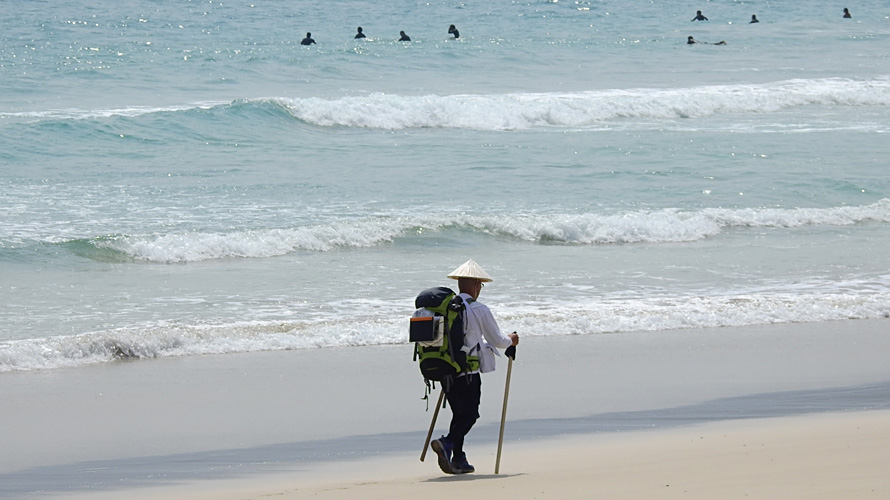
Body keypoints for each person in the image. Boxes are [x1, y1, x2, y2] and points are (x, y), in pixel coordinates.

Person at [429, 259, 519, 475]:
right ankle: (447, 443)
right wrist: (512, 340)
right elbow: (497, 340)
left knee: (459, 414)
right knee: (470, 415)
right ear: (477, 285)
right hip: (468, 372)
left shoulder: (446, 309)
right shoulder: (478, 309)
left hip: (446, 369)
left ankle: (458, 459)